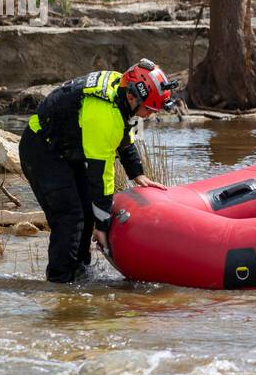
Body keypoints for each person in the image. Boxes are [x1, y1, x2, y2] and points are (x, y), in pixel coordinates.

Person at [19, 59, 176, 282]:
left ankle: (81, 274)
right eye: (149, 109)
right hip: (43, 151)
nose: (149, 115)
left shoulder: (118, 87)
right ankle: (60, 285)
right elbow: (101, 177)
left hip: (67, 148)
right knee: (70, 216)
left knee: (85, 209)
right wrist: (102, 227)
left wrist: (137, 173)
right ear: (132, 97)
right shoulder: (105, 116)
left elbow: (124, 136)